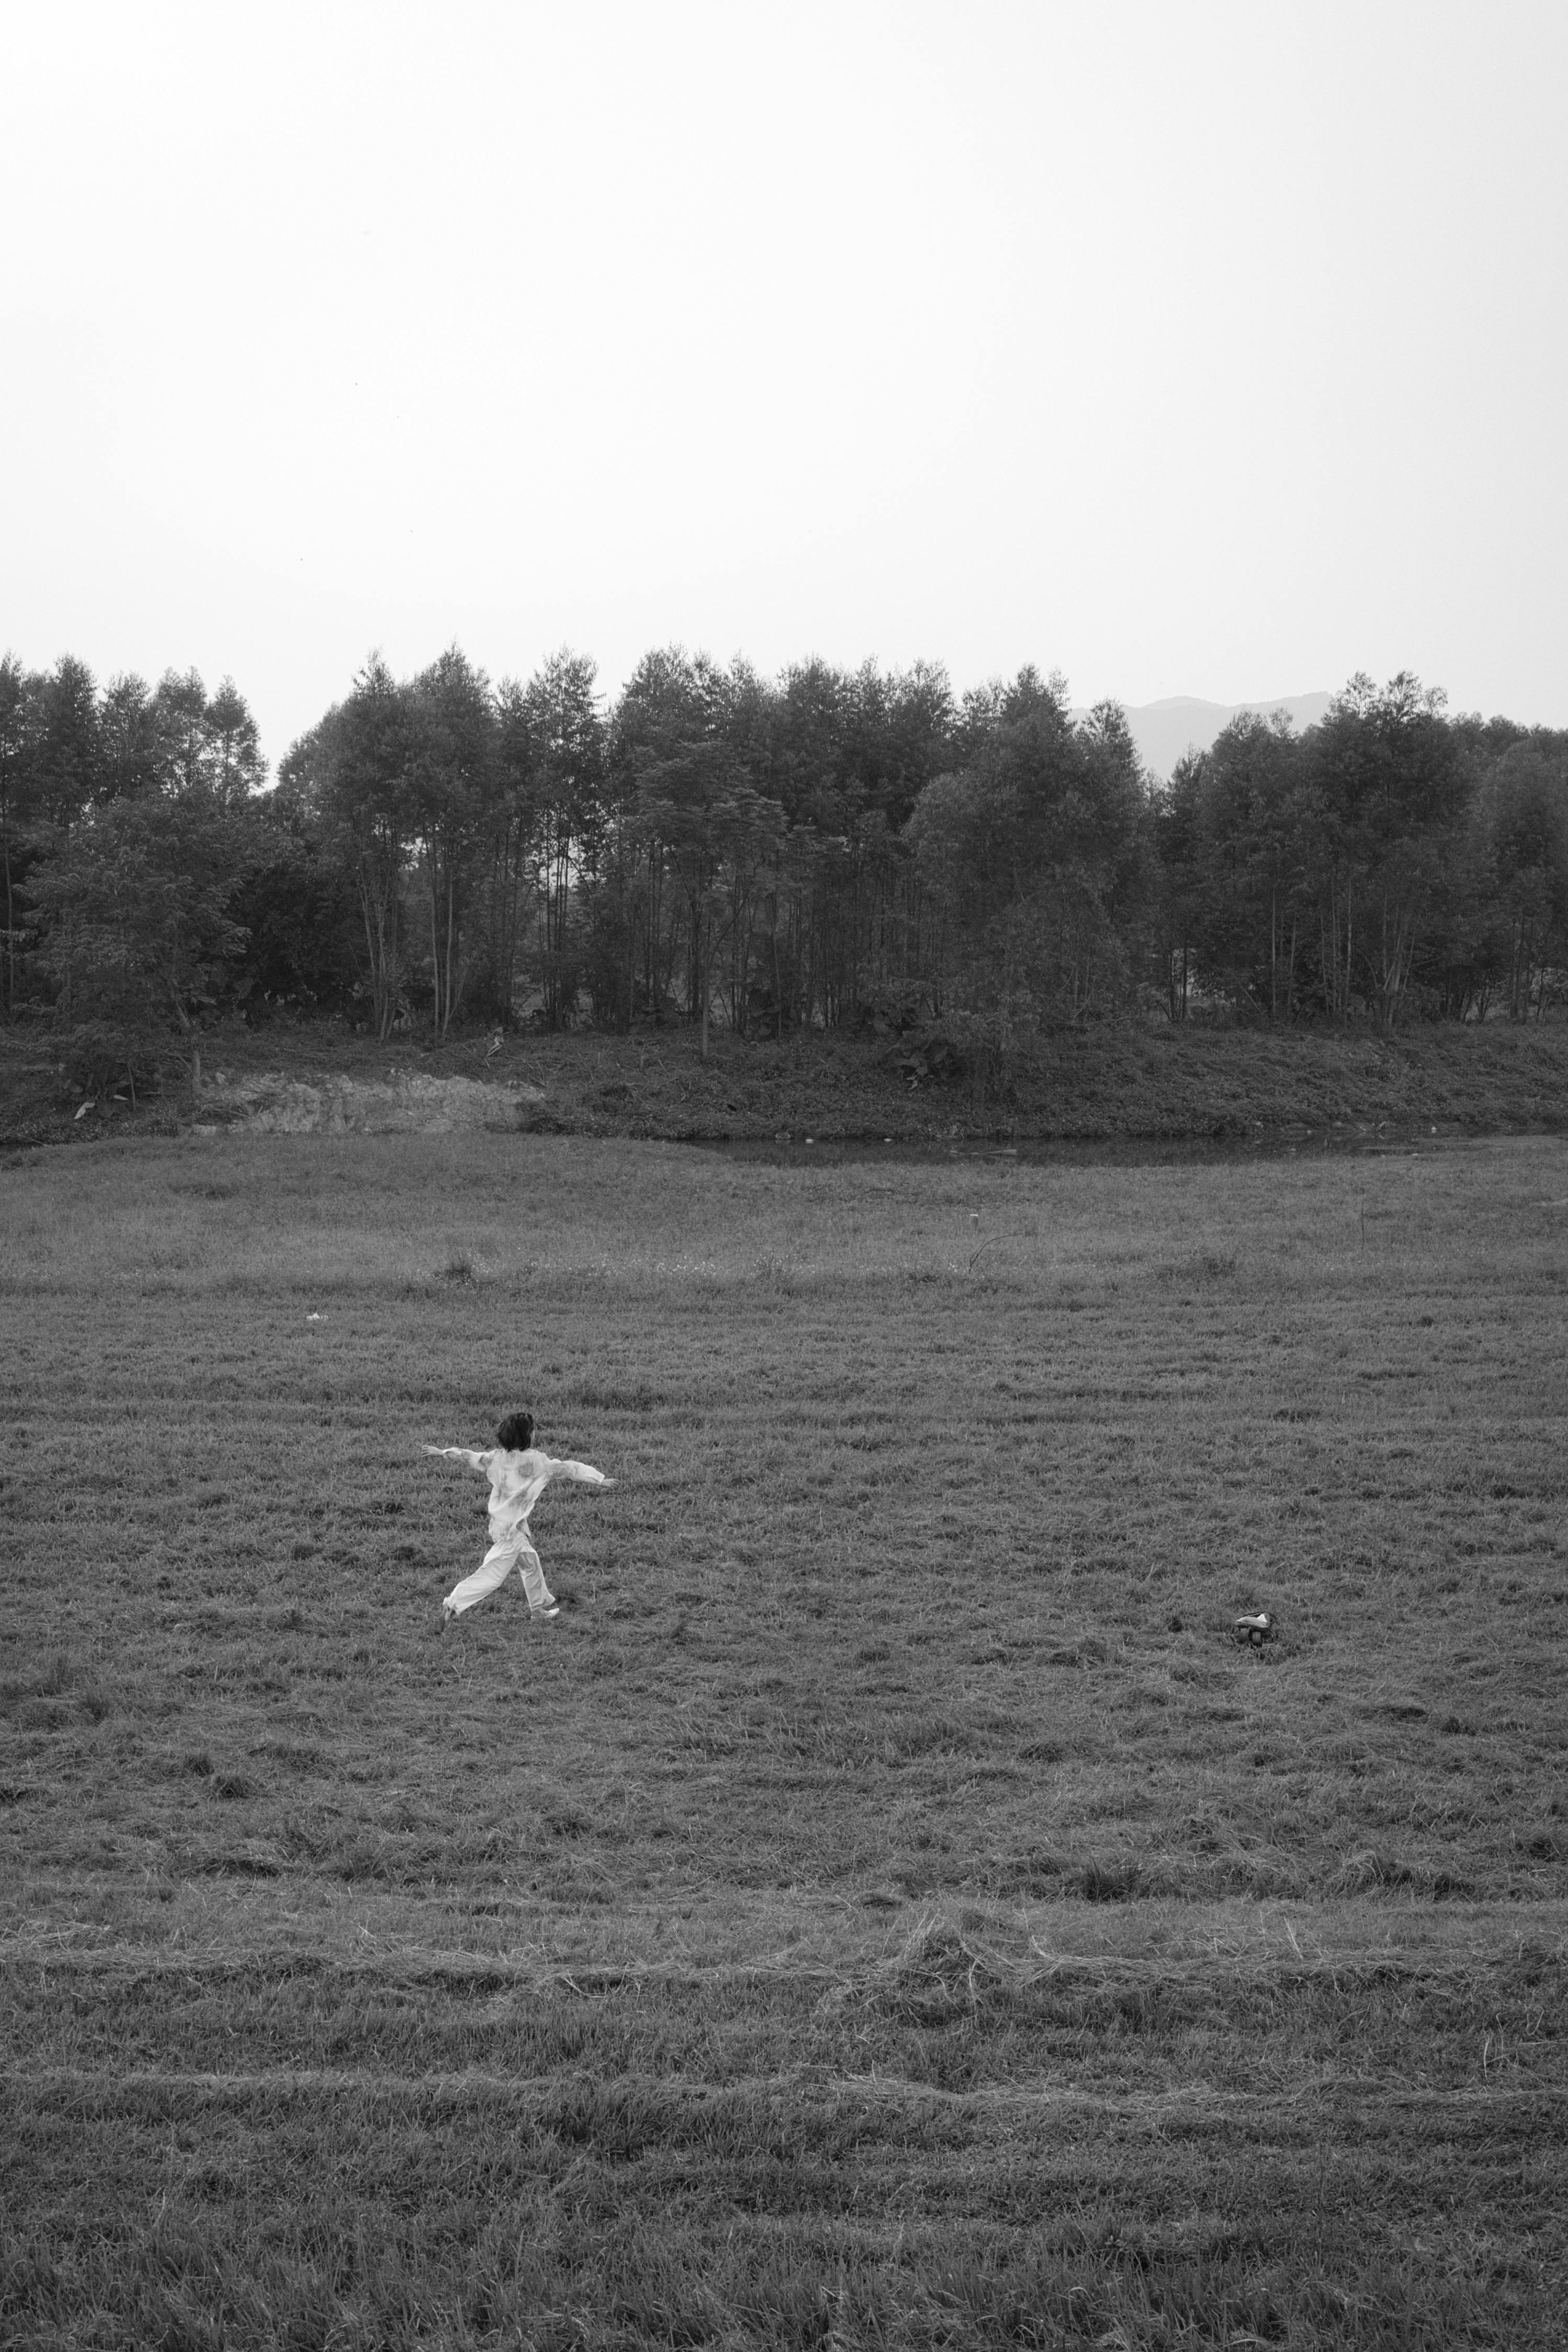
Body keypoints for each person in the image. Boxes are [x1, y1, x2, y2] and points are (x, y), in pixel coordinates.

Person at [424, 1411, 613, 1623]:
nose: (535, 1433)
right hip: (511, 1531)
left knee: (530, 1563)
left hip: (501, 1525)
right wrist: (599, 1480)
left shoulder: (496, 1457)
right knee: (493, 1575)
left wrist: (443, 1452)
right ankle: (452, 1604)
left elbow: (469, 1455)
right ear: (527, 1436)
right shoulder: (539, 1462)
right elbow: (570, 1469)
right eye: (533, 1430)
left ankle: (538, 1611)